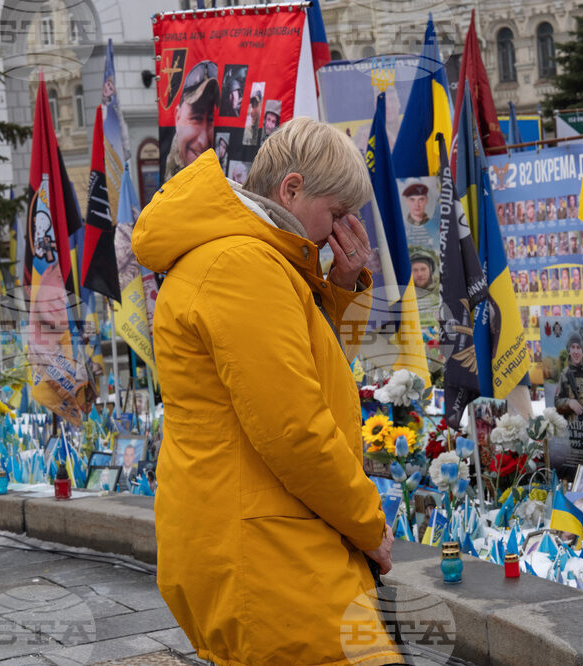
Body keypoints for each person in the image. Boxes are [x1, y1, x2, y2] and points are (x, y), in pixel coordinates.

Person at [134, 117, 396, 663]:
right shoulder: (242, 264)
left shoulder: (252, 259)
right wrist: (368, 523)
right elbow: (295, 429)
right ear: (292, 189)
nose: (341, 231)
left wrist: (342, 289)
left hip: (260, 535)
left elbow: (312, 374)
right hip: (264, 549)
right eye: (338, 214)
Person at [164, 60, 219, 181]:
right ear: (177, 117)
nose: (203, 142)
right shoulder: (169, 183)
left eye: (211, 120)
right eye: (196, 119)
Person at [555, 334, 583, 429]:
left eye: (578, 347)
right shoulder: (564, 375)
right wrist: (569, 402)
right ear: (569, 351)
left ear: (582, 351)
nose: (576, 351)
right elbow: (557, 402)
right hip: (572, 432)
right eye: (573, 347)